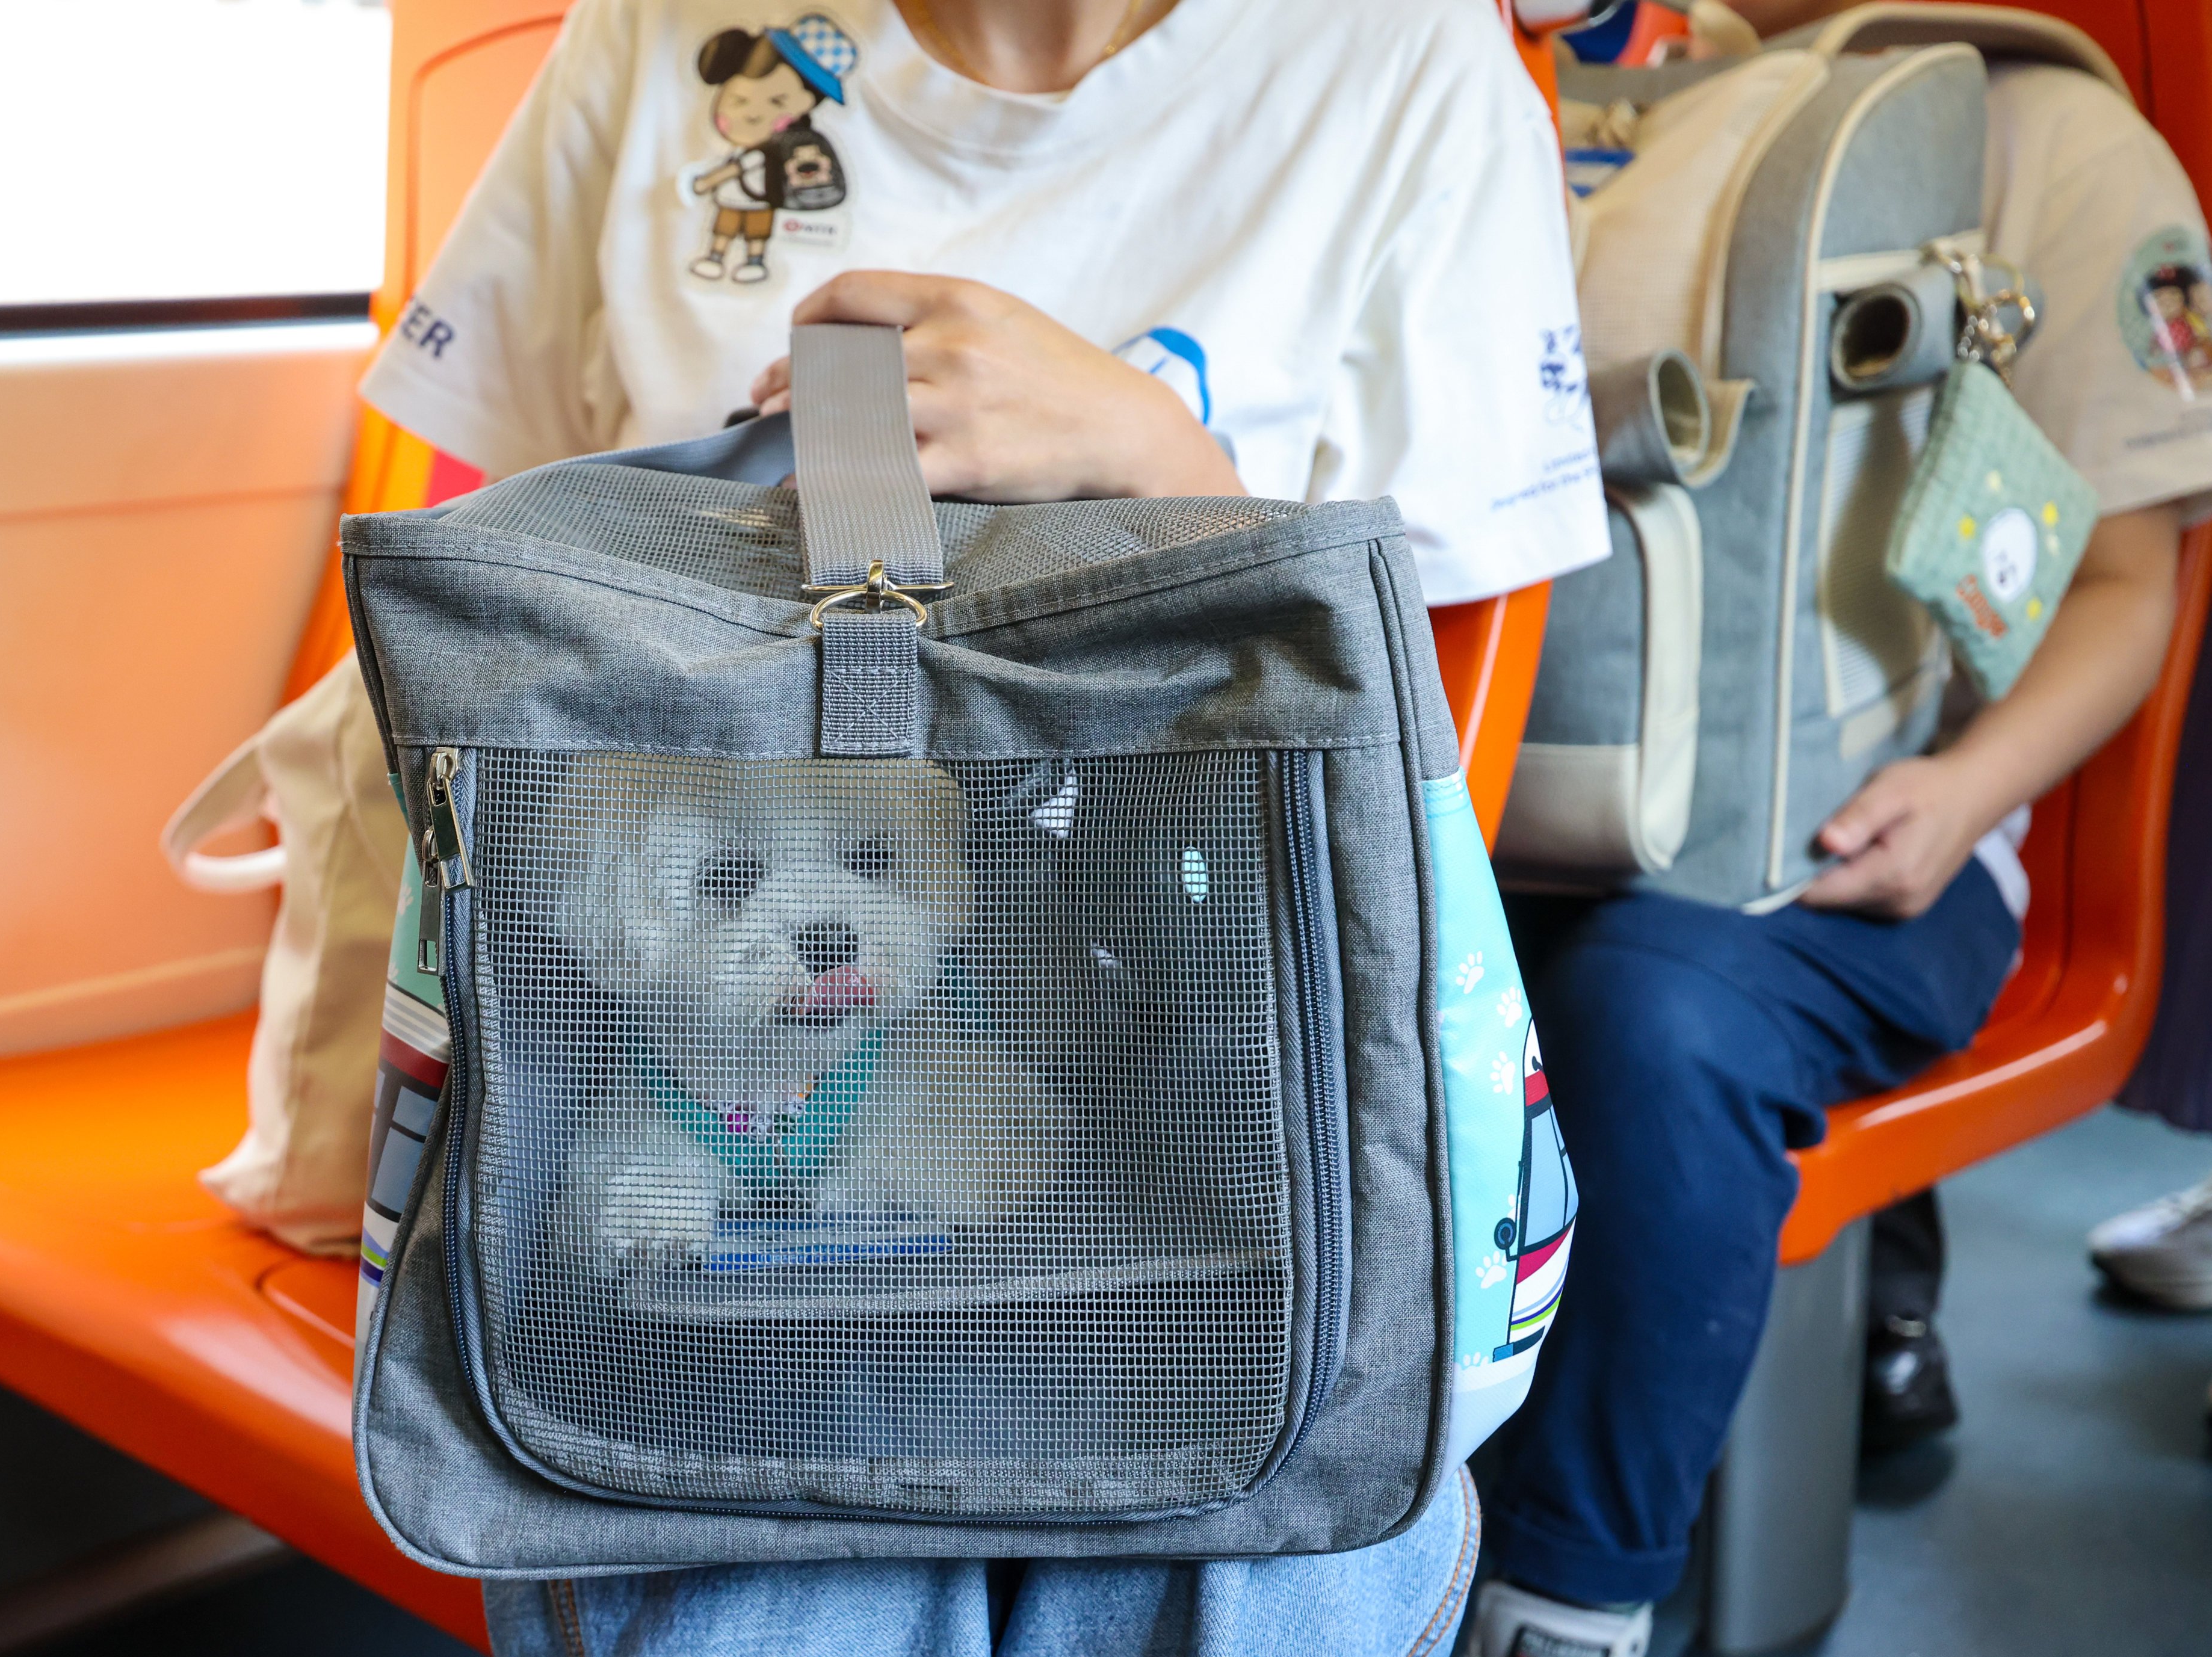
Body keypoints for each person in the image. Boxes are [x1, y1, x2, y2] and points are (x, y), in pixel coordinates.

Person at [357, 1, 1612, 1652]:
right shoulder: (656, 28)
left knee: (1231, 1503)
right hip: (630, 1084)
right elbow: (490, 609)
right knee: (765, 1563)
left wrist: (1172, 477)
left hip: (1222, 1112)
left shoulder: (1403, 59)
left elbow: (1426, 754)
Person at [1464, 7, 2212, 1653]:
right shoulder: (1556, 76)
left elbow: (2125, 586)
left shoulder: (2047, 144)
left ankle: (1563, 1592)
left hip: (1866, 830)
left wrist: (1963, 797)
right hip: (1488, 785)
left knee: (1658, 1019)